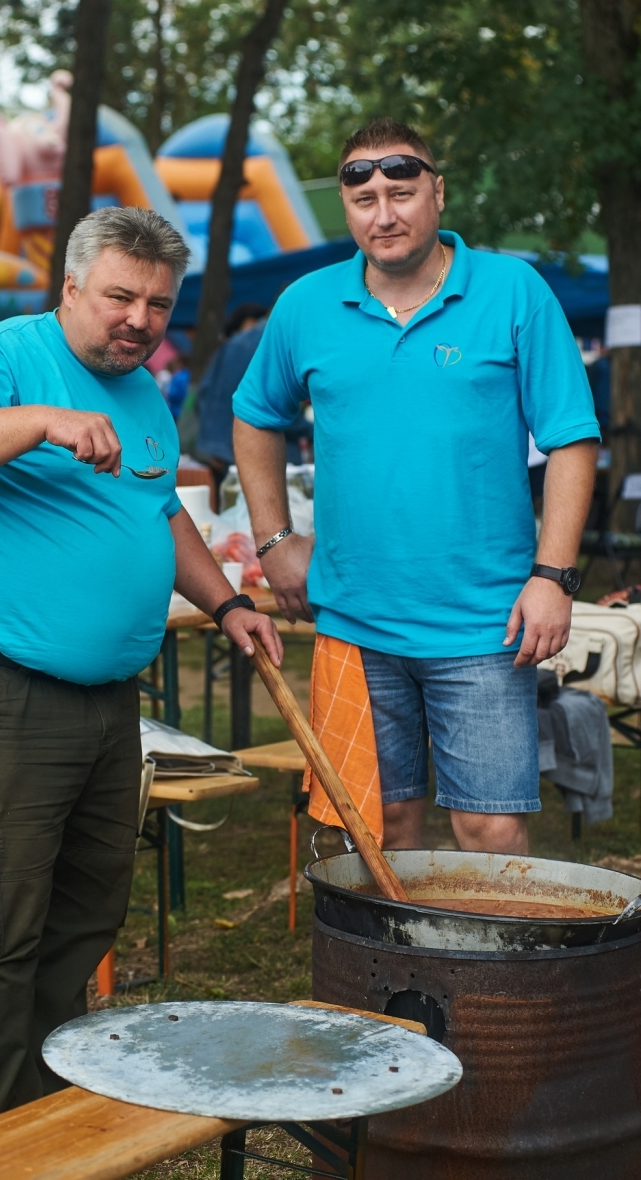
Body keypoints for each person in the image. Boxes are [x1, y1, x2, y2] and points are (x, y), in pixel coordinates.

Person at [0, 206, 282, 1131]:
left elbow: (160, 515)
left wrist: (226, 602)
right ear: (69, 287)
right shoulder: (3, 358)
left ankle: (45, 1121)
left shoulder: (143, 393)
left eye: (157, 303)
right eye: (118, 297)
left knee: (80, 920)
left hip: (107, 707)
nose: (138, 320)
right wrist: (38, 422)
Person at [233, 116, 599, 857]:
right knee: (378, 827)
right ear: (348, 209)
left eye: (402, 192)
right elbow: (253, 416)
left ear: (438, 193)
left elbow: (572, 439)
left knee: (490, 827)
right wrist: (274, 540)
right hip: (355, 622)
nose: (385, 214)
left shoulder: (512, 291)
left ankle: (489, 977)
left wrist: (553, 576)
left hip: (484, 623)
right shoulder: (306, 304)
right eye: (366, 200)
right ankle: (402, 977)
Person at [197, 303, 312, 483]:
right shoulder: (273, 344)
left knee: (229, 507)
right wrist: (312, 427)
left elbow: (204, 391)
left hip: (221, 451)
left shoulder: (235, 341)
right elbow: (276, 406)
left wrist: (212, 442)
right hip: (260, 452)